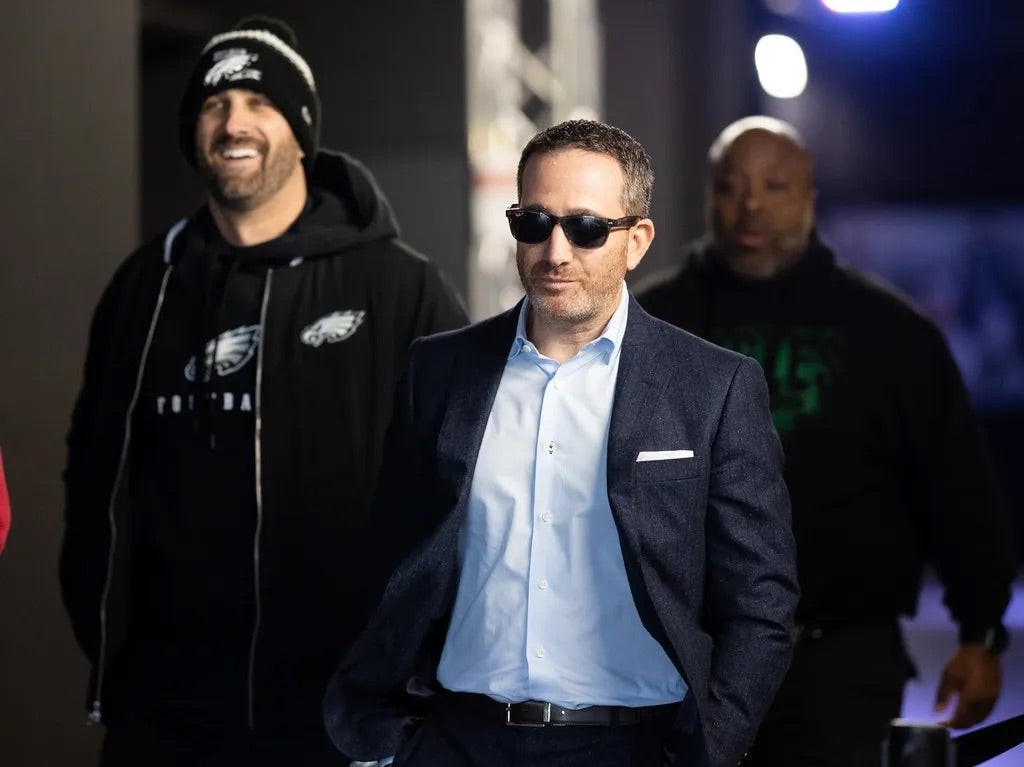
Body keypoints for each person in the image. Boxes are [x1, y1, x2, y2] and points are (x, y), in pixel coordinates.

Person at [323, 119, 799, 767]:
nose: (555, 250)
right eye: (534, 222)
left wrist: (712, 747)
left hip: (632, 745)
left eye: (585, 228)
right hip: (457, 739)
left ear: (636, 241)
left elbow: (762, 600)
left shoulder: (714, 387)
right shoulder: (439, 373)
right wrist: (384, 739)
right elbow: (387, 563)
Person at [59, 15, 467, 766]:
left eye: (258, 102)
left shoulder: (398, 288)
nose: (233, 122)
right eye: (214, 104)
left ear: (301, 128)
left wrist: (405, 677)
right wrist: (107, 635)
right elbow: (91, 474)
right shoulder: (143, 288)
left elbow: (464, 488)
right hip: (164, 718)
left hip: (338, 718)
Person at [634, 115, 1018, 766]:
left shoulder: (891, 333)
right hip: (681, 659)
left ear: (810, 195)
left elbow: (958, 488)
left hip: (838, 663)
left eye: (774, 185)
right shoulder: (648, 324)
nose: (750, 204)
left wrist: (981, 634)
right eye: (731, 186)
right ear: (708, 196)